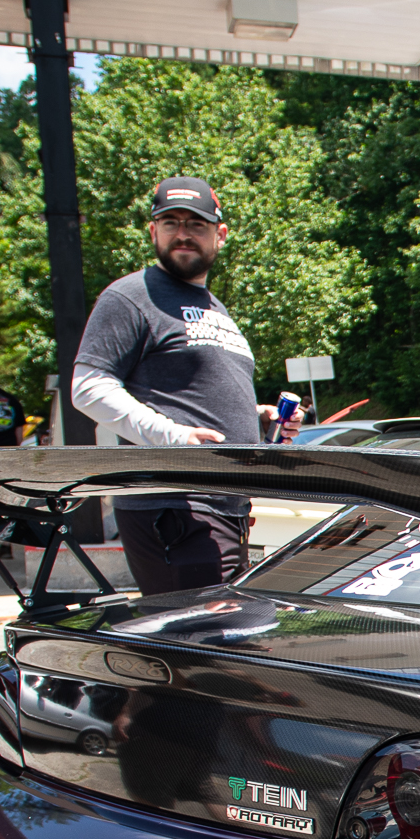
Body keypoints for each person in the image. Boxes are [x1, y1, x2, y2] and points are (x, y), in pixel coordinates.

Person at [71, 176, 270, 598]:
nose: (182, 234)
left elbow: (195, 397)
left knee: (228, 634)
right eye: (170, 223)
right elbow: (88, 387)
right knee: (206, 635)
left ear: (220, 234)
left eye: (196, 224)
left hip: (223, 505)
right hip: (173, 508)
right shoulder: (130, 296)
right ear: (152, 231)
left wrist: (261, 420)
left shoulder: (215, 308)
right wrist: (174, 436)